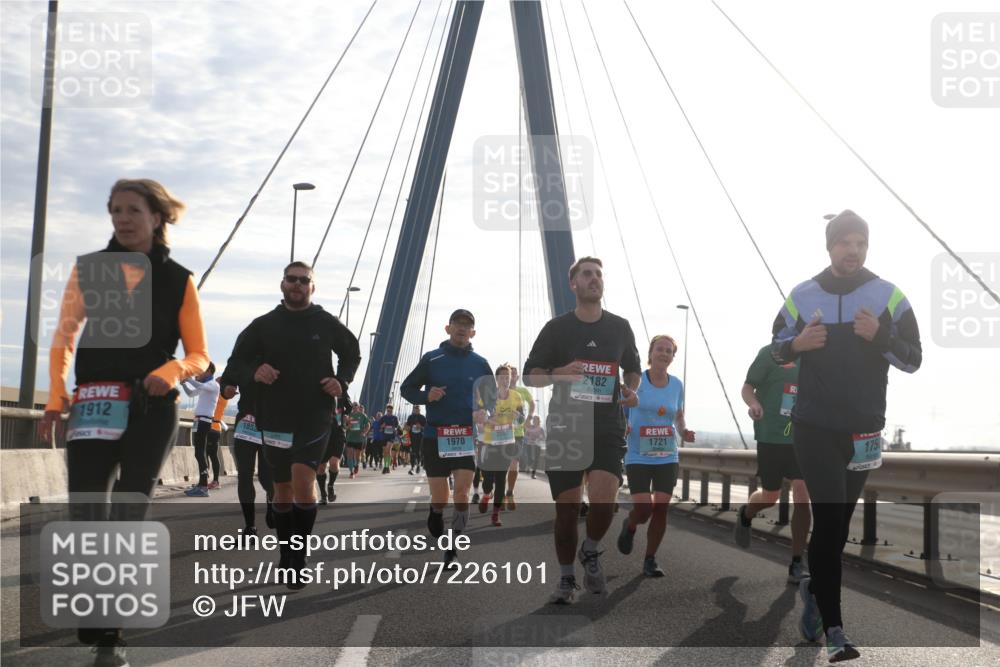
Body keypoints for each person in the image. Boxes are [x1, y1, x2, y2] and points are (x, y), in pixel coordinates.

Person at [39, 178, 209, 666]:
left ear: (157, 218)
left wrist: (169, 370)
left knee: (128, 513)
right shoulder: (90, 270)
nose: (122, 218)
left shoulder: (179, 278)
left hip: (151, 409)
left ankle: (110, 637)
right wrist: (55, 398)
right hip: (93, 402)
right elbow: (64, 336)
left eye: (132, 209)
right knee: (87, 514)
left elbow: (199, 354)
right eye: (115, 210)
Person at [772, 210, 921, 662]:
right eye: (844, 242)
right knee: (831, 517)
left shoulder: (888, 296)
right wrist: (797, 345)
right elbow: (776, 346)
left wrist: (879, 337)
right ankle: (835, 631)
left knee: (834, 532)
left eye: (860, 243)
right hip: (814, 426)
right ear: (830, 246)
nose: (852, 250)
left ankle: (815, 592)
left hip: (863, 432)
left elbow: (913, 360)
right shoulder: (802, 294)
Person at [226, 261, 361, 590]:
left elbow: (352, 353)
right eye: (292, 279)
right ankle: (286, 552)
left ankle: (298, 559)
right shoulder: (263, 325)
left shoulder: (325, 323)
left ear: (312, 287)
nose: (297, 284)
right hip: (274, 415)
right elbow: (235, 364)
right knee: (282, 491)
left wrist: (340, 380)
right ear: (282, 284)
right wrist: (254, 372)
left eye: (304, 280)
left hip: (315, 414)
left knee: (303, 482)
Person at [523, 257, 641, 603]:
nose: (594, 279)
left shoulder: (620, 327)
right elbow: (531, 375)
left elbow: (632, 368)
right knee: (567, 511)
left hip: (607, 425)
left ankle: (590, 550)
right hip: (566, 427)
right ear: (573, 284)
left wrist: (632, 389)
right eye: (587, 274)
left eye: (599, 274)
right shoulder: (557, 329)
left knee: (605, 503)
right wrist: (560, 373)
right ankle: (565, 578)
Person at [400, 309, 494, 568]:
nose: (462, 329)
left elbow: (493, 398)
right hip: (435, 435)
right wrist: (426, 396)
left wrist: (484, 412)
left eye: (467, 325)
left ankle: (452, 548)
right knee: (441, 497)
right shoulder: (432, 359)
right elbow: (406, 388)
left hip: (465, 436)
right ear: (448, 328)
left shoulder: (480, 363)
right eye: (458, 324)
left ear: (473, 332)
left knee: (462, 493)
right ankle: (436, 511)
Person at [616, 335, 694, 577]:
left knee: (661, 508)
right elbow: (621, 407)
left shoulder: (677, 385)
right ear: (650, 354)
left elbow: (678, 416)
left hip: (667, 455)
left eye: (668, 351)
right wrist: (624, 425)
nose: (663, 354)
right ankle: (630, 525)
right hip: (638, 453)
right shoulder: (636, 381)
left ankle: (650, 559)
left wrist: (684, 431)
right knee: (644, 509)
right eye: (659, 349)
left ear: (672, 357)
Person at [734, 343, 810, 585]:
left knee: (802, 493)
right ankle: (746, 513)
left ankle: (797, 561)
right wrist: (753, 404)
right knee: (770, 497)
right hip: (771, 436)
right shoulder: (770, 353)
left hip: (802, 437)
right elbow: (748, 387)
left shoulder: (816, 355)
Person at [219, 350, 274, 537]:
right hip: (246, 423)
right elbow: (227, 379)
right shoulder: (241, 357)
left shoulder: (280, 354)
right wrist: (226, 389)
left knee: (268, 477)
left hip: (272, 423)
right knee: (244, 474)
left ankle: (272, 502)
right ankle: (250, 526)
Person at [478, 364, 524, 526]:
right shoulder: (489, 396)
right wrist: (489, 419)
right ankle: (485, 494)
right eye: (502, 377)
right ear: (496, 379)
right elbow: (481, 417)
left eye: (508, 377)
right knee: (488, 478)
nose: (505, 379)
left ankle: (495, 515)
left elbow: (521, 420)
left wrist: (518, 417)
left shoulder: (517, 396)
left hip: (507, 442)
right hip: (489, 441)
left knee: (501, 479)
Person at [181, 362, 221, 496]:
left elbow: (199, 385)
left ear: (209, 371)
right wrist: (184, 384)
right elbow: (191, 394)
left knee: (200, 452)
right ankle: (201, 484)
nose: (199, 374)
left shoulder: (213, 385)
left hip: (204, 421)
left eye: (201, 371)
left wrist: (189, 379)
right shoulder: (205, 386)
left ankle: (203, 487)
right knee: (199, 453)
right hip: (198, 421)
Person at [504, 367, 535, 510]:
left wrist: (528, 418)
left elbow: (532, 404)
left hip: (517, 433)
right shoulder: (498, 391)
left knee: (513, 464)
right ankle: (498, 491)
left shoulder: (522, 391)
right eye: (509, 374)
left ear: (517, 377)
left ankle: (510, 492)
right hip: (500, 433)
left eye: (514, 374)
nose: (512, 377)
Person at [316, 396, 348, 504]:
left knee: (334, 463)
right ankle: (323, 495)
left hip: (338, 434)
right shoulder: (317, 393)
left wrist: (346, 416)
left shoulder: (341, 392)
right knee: (320, 468)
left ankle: (330, 486)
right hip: (322, 433)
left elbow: (349, 408)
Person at [345, 402, 369, 478]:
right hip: (350, 438)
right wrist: (348, 425)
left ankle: (356, 465)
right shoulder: (349, 415)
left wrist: (365, 432)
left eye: (356, 405)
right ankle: (351, 472)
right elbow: (345, 427)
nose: (354, 407)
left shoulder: (362, 415)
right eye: (353, 405)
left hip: (359, 439)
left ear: (358, 407)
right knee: (349, 455)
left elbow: (368, 424)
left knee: (357, 457)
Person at [376, 405, 400, 474]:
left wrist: (395, 429)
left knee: (388, 449)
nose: (389, 412)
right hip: (384, 437)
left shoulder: (395, 418)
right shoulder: (383, 418)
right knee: (385, 452)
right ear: (386, 410)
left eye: (390, 411)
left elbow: (397, 426)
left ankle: (386, 467)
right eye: (388, 411)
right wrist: (382, 426)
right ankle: (387, 466)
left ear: (392, 411)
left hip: (391, 437)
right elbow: (379, 427)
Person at [406, 405, 427, 475]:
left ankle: (418, 464)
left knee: (418, 451)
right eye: (415, 409)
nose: (416, 411)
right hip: (412, 437)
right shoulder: (410, 417)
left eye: (418, 410)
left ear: (420, 410)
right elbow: (407, 426)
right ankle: (412, 467)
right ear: (413, 410)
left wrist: (421, 427)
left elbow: (426, 428)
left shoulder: (422, 418)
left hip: (420, 437)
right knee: (412, 451)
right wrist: (409, 427)